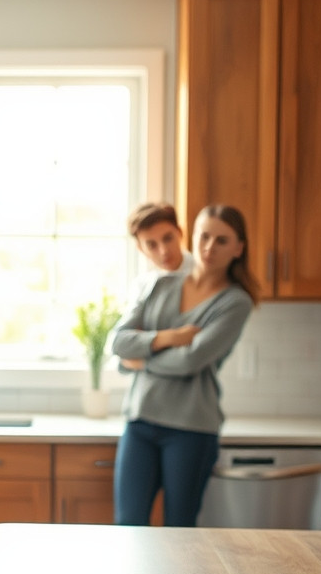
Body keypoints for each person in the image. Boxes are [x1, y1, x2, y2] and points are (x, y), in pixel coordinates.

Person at [110, 203, 258, 527]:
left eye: (222, 240)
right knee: (127, 526)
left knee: (180, 532)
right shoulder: (159, 285)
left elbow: (190, 361)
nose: (209, 247)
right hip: (141, 421)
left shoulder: (236, 302)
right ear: (191, 235)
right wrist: (167, 338)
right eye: (204, 236)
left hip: (191, 429)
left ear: (238, 248)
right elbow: (117, 342)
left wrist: (140, 362)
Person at [126, 201, 195, 309]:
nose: (164, 251)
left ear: (180, 233)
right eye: (152, 245)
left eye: (168, 238)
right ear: (140, 248)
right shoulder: (141, 287)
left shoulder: (205, 274)